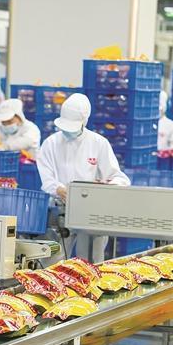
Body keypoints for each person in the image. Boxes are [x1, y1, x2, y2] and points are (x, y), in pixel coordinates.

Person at [37, 93, 130, 264]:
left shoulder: (98, 143)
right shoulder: (50, 144)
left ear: (84, 121)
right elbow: (47, 180)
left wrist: (104, 188)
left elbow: (119, 178)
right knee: (53, 265)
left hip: (92, 214)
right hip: (60, 211)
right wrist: (58, 189)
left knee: (89, 263)